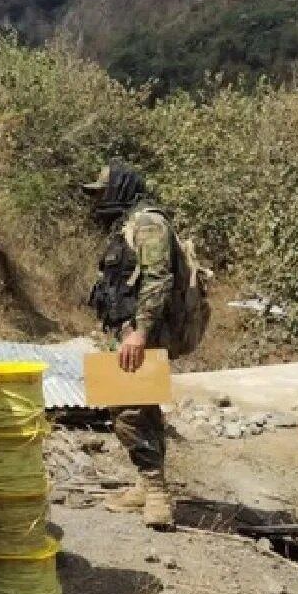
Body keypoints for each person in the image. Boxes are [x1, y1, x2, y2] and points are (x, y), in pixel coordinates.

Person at [82, 159, 176, 529]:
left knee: (127, 412)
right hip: (129, 332)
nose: (99, 200)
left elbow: (158, 279)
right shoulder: (128, 224)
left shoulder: (148, 224)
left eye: (103, 192)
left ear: (120, 188)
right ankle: (146, 485)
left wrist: (140, 331)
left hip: (140, 335)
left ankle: (156, 494)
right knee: (142, 407)